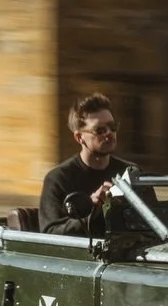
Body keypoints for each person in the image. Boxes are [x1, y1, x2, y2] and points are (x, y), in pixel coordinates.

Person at [40, 94, 145, 236]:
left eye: (112, 127)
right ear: (79, 137)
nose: (109, 134)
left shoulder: (131, 172)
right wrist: (92, 207)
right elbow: (50, 233)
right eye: (100, 130)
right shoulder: (58, 179)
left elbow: (153, 222)